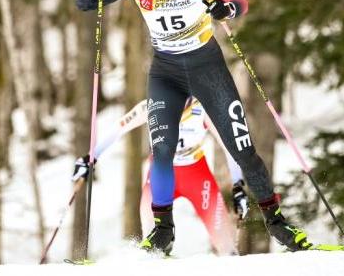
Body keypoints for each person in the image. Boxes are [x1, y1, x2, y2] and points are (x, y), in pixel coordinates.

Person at [76, 0, 312, 253]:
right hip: (166, 73)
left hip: (206, 68)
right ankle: (163, 229)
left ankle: (276, 223)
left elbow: (238, 1)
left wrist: (225, 8)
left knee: (243, 149)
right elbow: (87, 2)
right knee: (161, 151)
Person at [72, 97, 250, 256]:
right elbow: (120, 127)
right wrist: (90, 157)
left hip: (196, 176)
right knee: (153, 247)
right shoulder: (151, 106)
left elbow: (228, 146)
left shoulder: (203, 108)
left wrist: (238, 185)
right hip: (160, 175)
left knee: (228, 249)